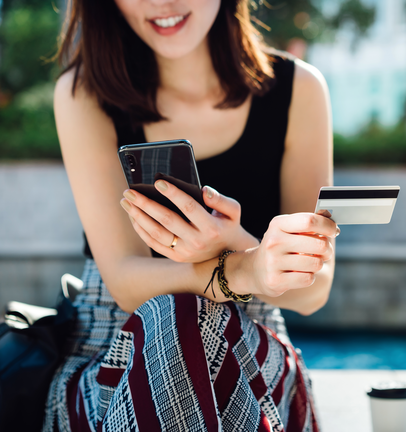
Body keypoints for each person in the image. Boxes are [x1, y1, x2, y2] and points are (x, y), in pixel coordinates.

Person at [42, 0, 337, 430]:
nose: (161, 3)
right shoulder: (84, 94)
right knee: (175, 318)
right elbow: (126, 282)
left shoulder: (299, 89)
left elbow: (315, 290)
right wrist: (243, 269)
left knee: (189, 324)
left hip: (251, 346)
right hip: (114, 348)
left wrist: (234, 246)